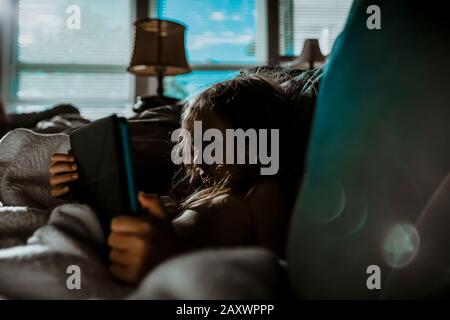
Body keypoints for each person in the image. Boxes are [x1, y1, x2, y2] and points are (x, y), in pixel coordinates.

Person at [49, 75, 300, 284]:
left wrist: (172, 258)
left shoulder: (263, 192)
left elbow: (274, 277)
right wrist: (79, 189)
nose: (197, 156)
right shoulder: (198, 194)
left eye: (210, 143)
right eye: (192, 144)